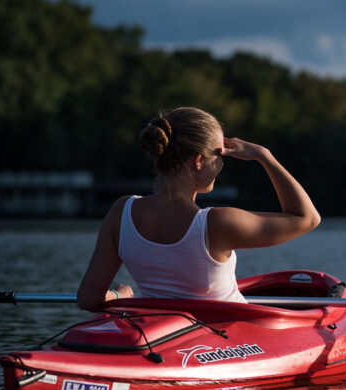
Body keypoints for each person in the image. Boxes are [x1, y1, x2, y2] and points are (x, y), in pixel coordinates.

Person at [76, 107, 321, 312]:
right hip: (226, 344)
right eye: (220, 153)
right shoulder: (218, 223)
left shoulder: (122, 212)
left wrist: (121, 298)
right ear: (199, 161)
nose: (223, 162)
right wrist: (264, 156)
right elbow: (307, 218)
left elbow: (88, 299)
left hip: (165, 339)